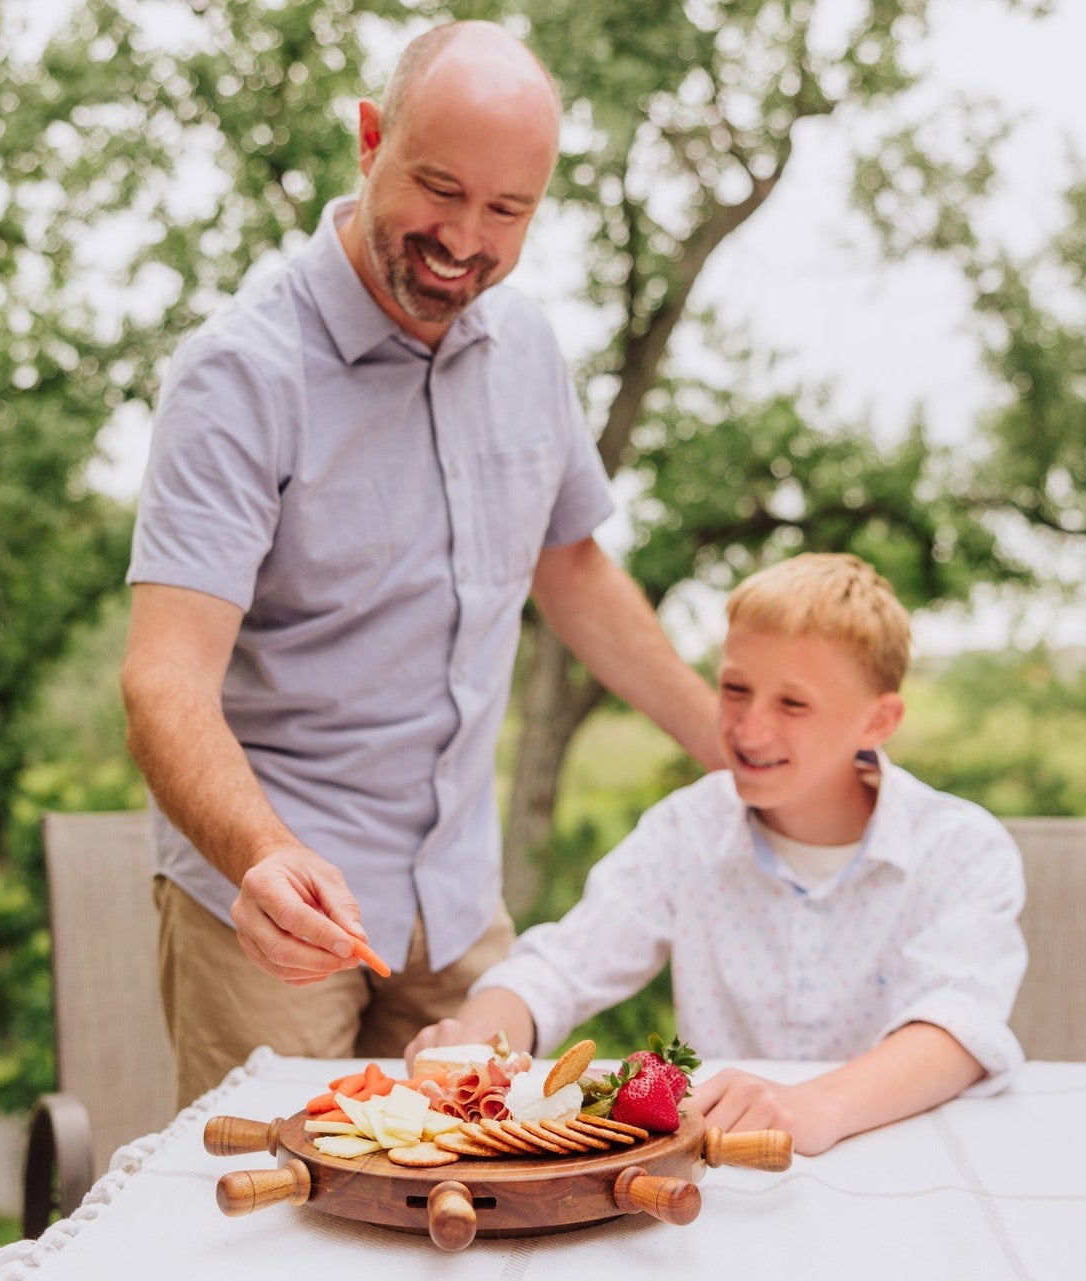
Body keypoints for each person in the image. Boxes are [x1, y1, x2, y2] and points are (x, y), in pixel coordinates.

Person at [120, 21, 722, 1106]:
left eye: (507, 210)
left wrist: (729, 749)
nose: (463, 239)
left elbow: (573, 566)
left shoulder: (527, 348)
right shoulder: (239, 375)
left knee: (495, 1196)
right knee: (291, 1228)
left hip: (456, 901)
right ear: (368, 141)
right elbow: (163, 680)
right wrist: (260, 855)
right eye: (439, 189)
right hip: (277, 908)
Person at [404, 553, 1028, 1155]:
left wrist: (815, 1107)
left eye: (793, 703)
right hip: (722, 1166)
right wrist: (482, 1037)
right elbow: (561, 966)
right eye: (735, 688)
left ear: (878, 721)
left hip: (900, 1155)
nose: (749, 729)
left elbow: (959, 1026)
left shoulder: (963, 850)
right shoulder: (687, 829)